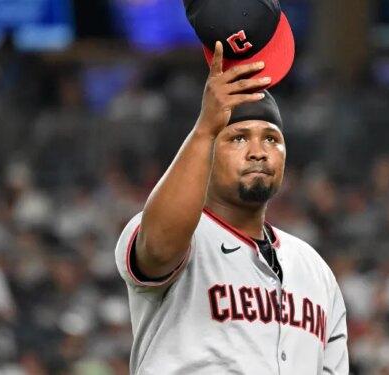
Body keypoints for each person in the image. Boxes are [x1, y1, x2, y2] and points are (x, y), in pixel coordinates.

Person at [114, 42, 349, 374]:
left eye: (271, 138)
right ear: (207, 152)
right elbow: (159, 246)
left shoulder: (315, 269)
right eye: (238, 138)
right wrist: (205, 129)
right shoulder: (183, 234)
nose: (258, 151)